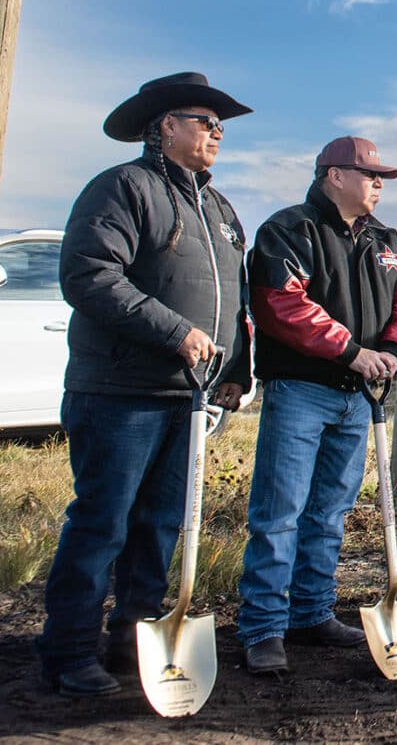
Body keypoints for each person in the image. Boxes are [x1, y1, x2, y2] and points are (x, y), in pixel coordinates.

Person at [37, 73, 252, 697]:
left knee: (159, 524)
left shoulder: (218, 207)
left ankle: (133, 638)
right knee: (103, 522)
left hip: (188, 396)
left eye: (220, 125)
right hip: (119, 391)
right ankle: (69, 651)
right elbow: (89, 274)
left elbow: (232, 299)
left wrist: (235, 370)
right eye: (204, 121)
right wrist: (175, 332)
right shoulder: (122, 187)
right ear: (164, 126)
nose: (216, 132)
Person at [236, 137, 397, 673]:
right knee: (280, 513)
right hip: (302, 391)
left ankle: (312, 612)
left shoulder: (384, 238)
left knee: (330, 514)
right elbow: (279, 304)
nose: (379, 184)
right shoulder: (288, 230)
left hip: (358, 399)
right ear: (334, 176)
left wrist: (390, 349)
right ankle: (264, 627)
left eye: (382, 176)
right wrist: (350, 351)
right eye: (371, 175)